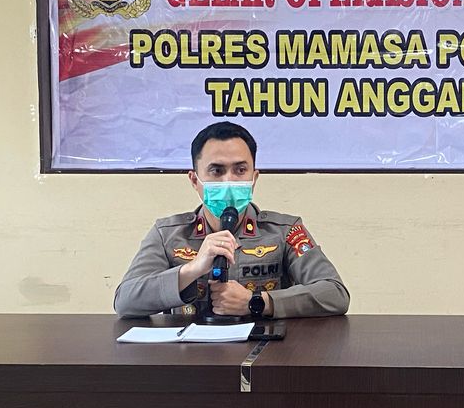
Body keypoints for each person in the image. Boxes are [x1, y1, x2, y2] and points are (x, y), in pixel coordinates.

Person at [114, 121, 350, 319]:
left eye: (240, 170)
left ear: (254, 178)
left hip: (265, 352)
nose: (229, 181)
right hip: (189, 353)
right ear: (194, 180)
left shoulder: (284, 231)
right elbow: (125, 301)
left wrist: (258, 301)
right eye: (216, 171)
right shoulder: (167, 234)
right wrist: (191, 270)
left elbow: (335, 293)